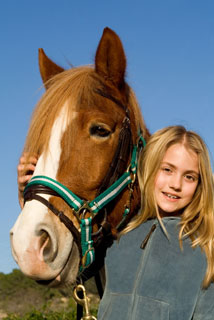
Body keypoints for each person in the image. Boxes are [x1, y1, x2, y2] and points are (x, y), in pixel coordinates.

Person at [17, 125, 214, 319]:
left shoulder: (205, 245)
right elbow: (57, 269)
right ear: (150, 167)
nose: (176, 184)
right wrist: (27, 195)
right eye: (167, 169)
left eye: (189, 177)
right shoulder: (118, 235)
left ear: (199, 184)